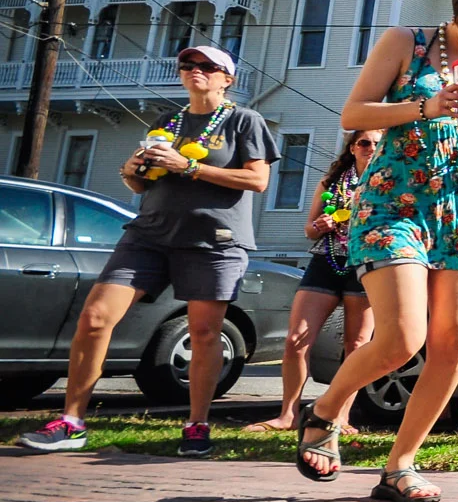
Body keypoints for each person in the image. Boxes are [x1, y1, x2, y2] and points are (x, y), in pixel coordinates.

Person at [294, 0, 458, 502]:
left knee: (454, 343)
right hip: (397, 201)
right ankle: (325, 410)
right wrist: (428, 106)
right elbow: (354, 113)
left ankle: (400, 466)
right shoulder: (407, 42)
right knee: (402, 338)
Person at [22, 46, 278, 456]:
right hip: (150, 235)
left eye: (207, 66)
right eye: (187, 65)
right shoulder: (168, 121)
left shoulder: (244, 120)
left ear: (227, 79)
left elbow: (257, 180)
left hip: (213, 240)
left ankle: (197, 425)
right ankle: (72, 422)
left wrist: (188, 166)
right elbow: (143, 183)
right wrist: (131, 172)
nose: (195, 71)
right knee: (95, 317)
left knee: (204, 333)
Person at [249, 130, 382, 436]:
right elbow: (309, 230)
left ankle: (341, 416)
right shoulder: (331, 183)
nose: (370, 148)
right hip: (326, 260)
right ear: (352, 147)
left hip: (365, 264)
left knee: (357, 345)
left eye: (377, 143)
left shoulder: (388, 182)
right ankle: (288, 414)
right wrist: (321, 224)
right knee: (296, 339)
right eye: (364, 142)